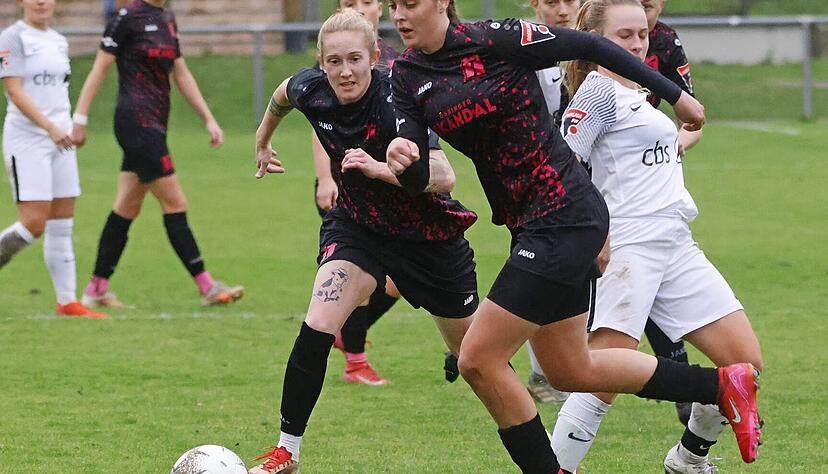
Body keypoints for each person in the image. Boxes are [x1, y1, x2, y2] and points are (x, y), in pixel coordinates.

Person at [385, 1, 761, 472]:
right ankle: (721, 385)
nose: (398, 14)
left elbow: (586, 44)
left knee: (477, 359)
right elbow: (420, 175)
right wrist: (404, 160)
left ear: (442, 2)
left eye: (409, 2)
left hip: (565, 213)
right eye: (392, 5)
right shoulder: (406, 75)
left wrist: (674, 95)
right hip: (532, 224)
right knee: (572, 370)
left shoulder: (494, 38)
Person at [248, 9, 479, 473]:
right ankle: (286, 450)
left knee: (477, 361)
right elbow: (280, 96)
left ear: (374, 56)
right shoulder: (311, 87)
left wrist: (381, 168)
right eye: (334, 61)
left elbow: (444, 175)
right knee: (318, 321)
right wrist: (262, 138)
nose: (345, 71)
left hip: (427, 235)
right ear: (321, 63)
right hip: (358, 226)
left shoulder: (398, 97)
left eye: (355, 59)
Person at [548, 1, 763, 472]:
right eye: (625, 35)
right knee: (602, 372)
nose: (638, 44)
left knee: (743, 361)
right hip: (631, 244)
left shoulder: (637, 90)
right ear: (596, 40)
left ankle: (688, 459)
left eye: (642, 34)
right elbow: (565, 166)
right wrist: (594, 234)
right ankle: (557, 465)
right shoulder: (598, 94)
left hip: (676, 242)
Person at [70, 0, 243, 308]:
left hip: (154, 126)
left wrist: (208, 118)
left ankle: (96, 288)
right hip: (137, 125)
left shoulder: (166, 18)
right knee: (175, 201)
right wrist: (79, 119)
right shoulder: (126, 17)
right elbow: (99, 68)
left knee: (127, 206)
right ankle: (207, 286)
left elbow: (182, 73)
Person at [312, 0, 402, 386]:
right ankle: (356, 361)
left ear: (380, 9)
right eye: (351, 3)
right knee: (359, 277)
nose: (360, 8)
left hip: (391, 188)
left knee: (399, 282)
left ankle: (341, 331)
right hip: (346, 187)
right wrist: (325, 179)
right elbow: (317, 124)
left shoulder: (397, 60)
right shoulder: (334, 66)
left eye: (366, 2)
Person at [0, 0, 106, 319]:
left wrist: (71, 124)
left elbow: (57, 93)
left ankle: (67, 302)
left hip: (61, 140)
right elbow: (15, 93)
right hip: (28, 139)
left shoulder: (59, 41)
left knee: (62, 223)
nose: (42, 2)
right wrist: (48, 126)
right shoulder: (12, 38)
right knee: (34, 223)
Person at [523, 0, 582, 405]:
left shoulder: (592, 49)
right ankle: (544, 373)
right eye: (550, 1)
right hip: (538, 183)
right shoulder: (523, 50)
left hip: (589, 177)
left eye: (570, 0)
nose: (562, 10)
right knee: (539, 272)